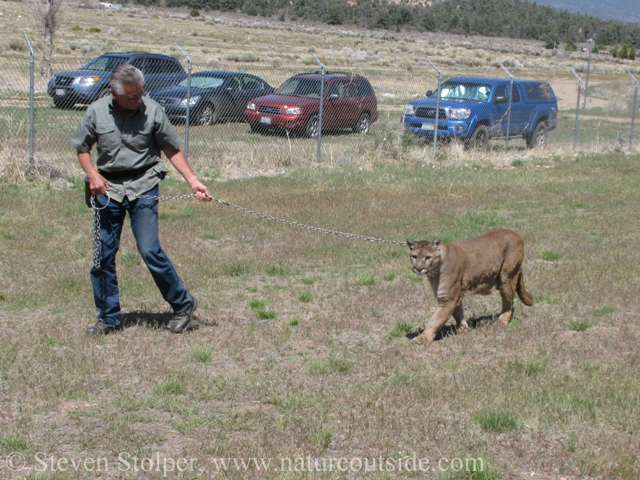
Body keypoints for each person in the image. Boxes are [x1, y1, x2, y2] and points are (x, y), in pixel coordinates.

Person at [71, 64, 212, 336]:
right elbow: (81, 148)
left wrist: (193, 181)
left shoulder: (153, 110)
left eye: (140, 94)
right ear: (115, 94)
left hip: (143, 184)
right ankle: (108, 319)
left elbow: (171, 149)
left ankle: (183, 304)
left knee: (149, 249)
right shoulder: (96, 112)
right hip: (107, 189)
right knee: (103, 256)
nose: (139, 101)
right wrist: (92, 176)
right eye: (132, 97)